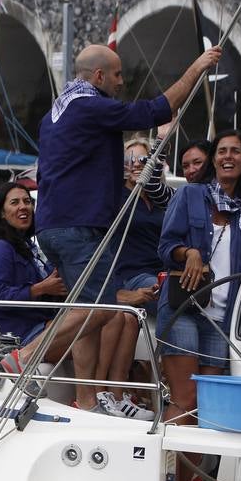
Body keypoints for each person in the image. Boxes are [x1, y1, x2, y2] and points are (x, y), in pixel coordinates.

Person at [34, 42, 221, 409]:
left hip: (53, 227)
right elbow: (157, 110)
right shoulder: (90, 106)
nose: (121, 83)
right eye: (117, 75)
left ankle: (86, 400)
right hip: (80, 228)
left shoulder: (52, 115)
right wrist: (198, 66)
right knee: (105, 308)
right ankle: (25, 356)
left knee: (84, 315)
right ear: (99, 76)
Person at [158, 131, 241, 481]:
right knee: (185, 400)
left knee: (205, 410)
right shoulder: (191, 195)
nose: (228, 157)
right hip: (184, 308)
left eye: (236, 152)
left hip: (220, 322)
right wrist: (190, 251)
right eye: (222, 151)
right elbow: (165, 248)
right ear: (215, 160)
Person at [0, 181, 87, 379]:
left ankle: (113, 393)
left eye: (27, 201)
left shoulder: (29, 247)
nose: (23, 206)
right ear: (2, 213)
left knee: (120, 319)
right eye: (14, 202)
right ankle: (88, 398)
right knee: (93, 319)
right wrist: (41, 288)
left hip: (47, 324)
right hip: (28, 336)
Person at [96, 137, 165, 418]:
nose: (137, 165)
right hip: (133, 275)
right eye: (131, 160)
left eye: (143, 160)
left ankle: (149, 384)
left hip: (158, 272)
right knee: (168, 296)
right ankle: (138, 385)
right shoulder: (117, 198)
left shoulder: (160, 199)